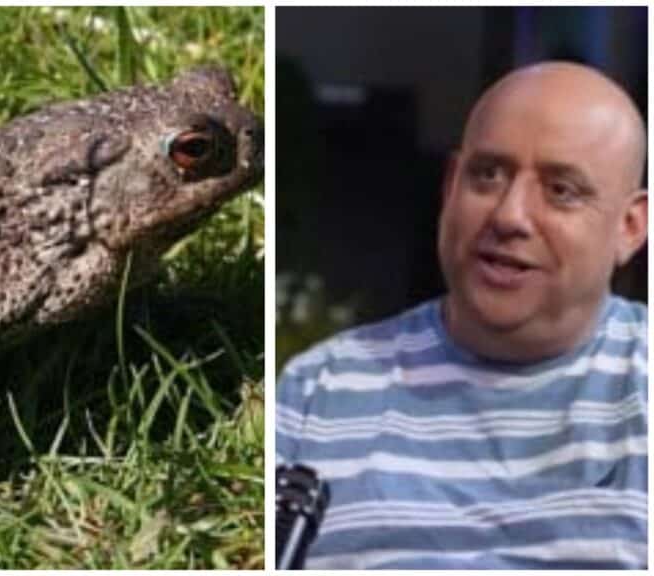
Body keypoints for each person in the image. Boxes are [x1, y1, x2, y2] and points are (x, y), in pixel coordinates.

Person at [276, 61, 648, 570]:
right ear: (451, 185)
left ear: (630, 227)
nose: (509, 216)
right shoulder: (314, 390)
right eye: (487, 175)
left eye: (561, 190)